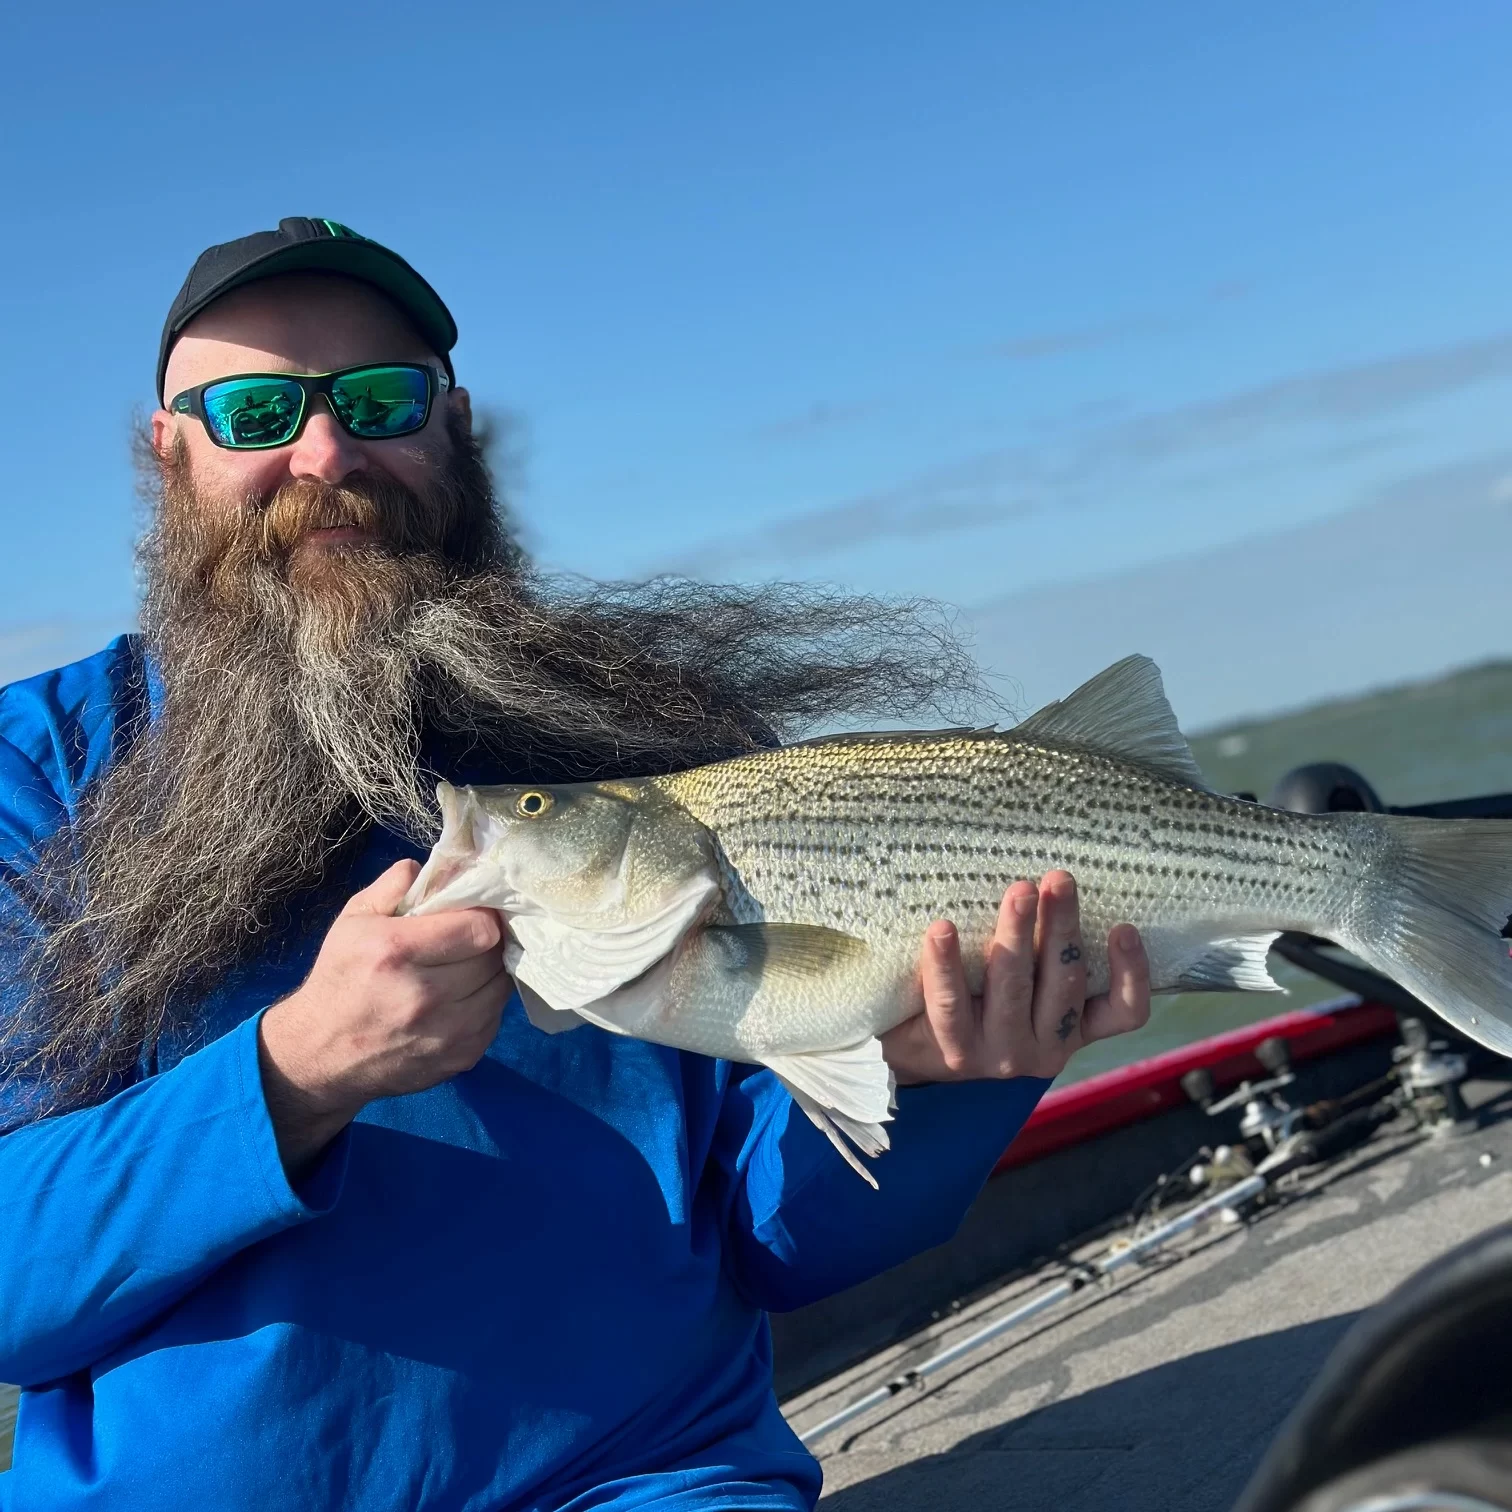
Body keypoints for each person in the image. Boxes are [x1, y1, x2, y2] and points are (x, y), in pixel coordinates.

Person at [0, 218, 1152, 1511]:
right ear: (169, 454)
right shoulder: (33, 772)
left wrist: (933, 1074)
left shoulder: (661, 743)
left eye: (382, 398)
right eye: (253, 408)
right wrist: (294, 1075)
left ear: (457, 430)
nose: (325, 452)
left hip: (645, 1483)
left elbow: (781, 1241)